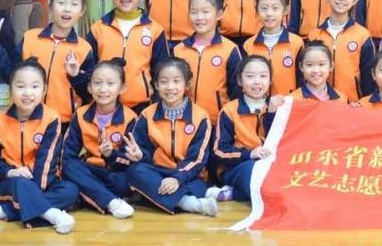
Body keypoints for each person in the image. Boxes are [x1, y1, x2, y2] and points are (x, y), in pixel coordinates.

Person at [0, 60, 79, 233]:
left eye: (35, 86)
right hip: (10, 183)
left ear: (44, 90)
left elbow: (47, 163)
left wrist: (33, 192)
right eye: (20, 86)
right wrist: (9, 172)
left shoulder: (51, 119)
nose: (28, 93)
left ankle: (0, 211)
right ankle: (52, 214)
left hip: (43, 181)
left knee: (71, 191)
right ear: (11, 90)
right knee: (21, 183)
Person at [0, 0, 95, 123]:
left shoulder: (84, 49)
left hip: (62, 123)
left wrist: (75, 76)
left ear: (82, 11)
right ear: (50, 6)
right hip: (24, 118)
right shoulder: (30, 38)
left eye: (74, 4)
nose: (67, 9)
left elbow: (89, 94)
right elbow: (10, 75)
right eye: (61, 2)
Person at [126, 58, 217, 216]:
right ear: (156, 85)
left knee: (196, 187)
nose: (170, 87)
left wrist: (177, 178)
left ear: (187, 84)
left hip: (188, 176)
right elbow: (142, 151)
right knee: (135, 171)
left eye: (176, 81)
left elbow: (198, 159)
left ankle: (154, 197)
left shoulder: (200, 117)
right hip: (157, 173)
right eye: (163, 82)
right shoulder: (147, 114)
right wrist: (140, 155)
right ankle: (189, 203)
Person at [60, 59, 138, 218]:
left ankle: (89, 195)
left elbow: (130, 160)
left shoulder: (130, 118)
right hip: (88, 169)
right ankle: (111, 202)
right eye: (97, 83)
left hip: (113, 173)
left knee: (128, 180)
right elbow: (67, 154)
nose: (103, 89)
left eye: (110, 84)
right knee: (69, 167)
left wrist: (110, 154)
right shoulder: (80, 114)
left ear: (122, 88)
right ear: (89, 87)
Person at [87, 0, 170, 111]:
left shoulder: (155, 30)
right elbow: (88, 70)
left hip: (142, 107)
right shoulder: (97, 29)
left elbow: (161, 73)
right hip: (104, 106)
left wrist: (156, 105)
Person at [211, 55, 282, 203]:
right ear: (239, 80)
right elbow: (219, 151)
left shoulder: (277, 107)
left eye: (263, 76)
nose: (257, 81)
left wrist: (272, 114)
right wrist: (249, 154)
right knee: (254, 174)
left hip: (270, 165)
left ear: (270, 80)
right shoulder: (230, 110)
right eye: (250, 76)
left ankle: (233, 194)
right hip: (238, 166)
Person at [172, 0, 243, 124]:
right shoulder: (178, 50)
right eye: (194, 12)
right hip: (183, 122)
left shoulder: (230, 49)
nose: (199, 17)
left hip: (217, 121)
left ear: (219, 14)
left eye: (205, 12)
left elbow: (236, 91)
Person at [307, 0, 376, 100]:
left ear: (355, 0)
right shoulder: (314, 35)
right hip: (319, 103)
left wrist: (364, 102)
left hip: (352, 104)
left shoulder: (362, 35)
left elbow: (368, 78)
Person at [244, 0, 304, 96]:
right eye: (264, 8)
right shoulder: (248, 45)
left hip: (289, 102)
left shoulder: (296, 43)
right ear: (257, 10)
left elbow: (302, 79)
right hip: (259, 104)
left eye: (275, 8)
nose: (269, 13)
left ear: (286, 10)